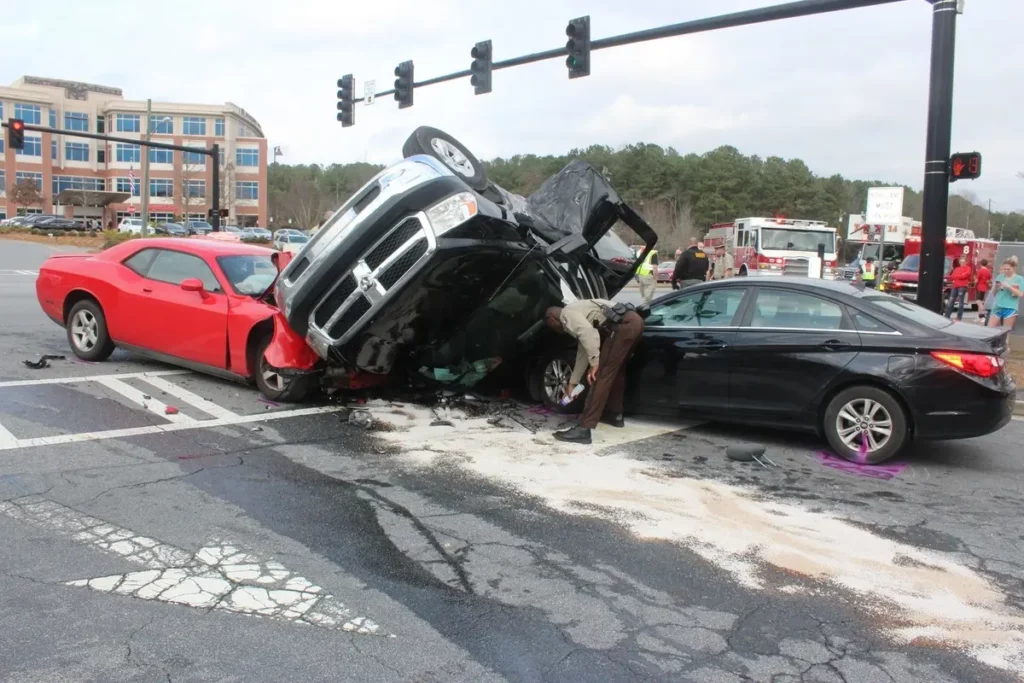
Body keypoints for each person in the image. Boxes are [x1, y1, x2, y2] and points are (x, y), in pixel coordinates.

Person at [544, 300, 645, 444]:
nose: (555, 331)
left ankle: (584, 428)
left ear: (552, 319)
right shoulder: (579, 309)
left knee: (599, 376)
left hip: (622, 325)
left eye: (551, 327)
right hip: (635, 322)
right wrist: (573, 383)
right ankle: (615, 414)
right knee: (615, 372)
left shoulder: (567, 313)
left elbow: (589, 334)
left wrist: (595, 363)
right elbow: (583, 350)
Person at [987, 256, 1023, 338]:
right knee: (989, 330)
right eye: (1005, 269)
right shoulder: (1000, 277)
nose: (1006, 271)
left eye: (1008, 269)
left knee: (1005, 332)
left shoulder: (1019, 279)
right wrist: (996, 287)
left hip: (1010, 307)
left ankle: (1005, 347)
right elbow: (993, 293)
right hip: (998, 306)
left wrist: (1009, 287)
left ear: (1014, 268)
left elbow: (1021, 294)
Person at [945, 256, 971, 321]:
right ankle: (947, 315)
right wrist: (960, 276)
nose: (962, 263)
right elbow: (952, 276)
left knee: (960, 302)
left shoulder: (968, 268)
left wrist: (958, 276)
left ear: (966, 262)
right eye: (961, 261)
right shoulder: (957, 268)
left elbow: (966, 275)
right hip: (955, 286)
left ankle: (959, 317)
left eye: (963, 262)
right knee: (951, 300)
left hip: (962, 286)